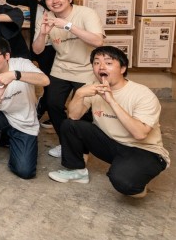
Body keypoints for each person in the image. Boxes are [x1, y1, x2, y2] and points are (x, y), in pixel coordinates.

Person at [48, 46, 169, 198]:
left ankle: (136, 179)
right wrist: (79, 94)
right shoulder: (93, 87)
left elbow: (140, 134)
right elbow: (73, 117)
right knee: (70, 125)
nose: (101, 67)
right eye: (96, 63)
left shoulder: (142, 94)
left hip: (144, 150)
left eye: (108, 63)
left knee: (124, 182)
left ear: (123, 68)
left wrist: (111, 101)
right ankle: (77, 171)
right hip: (113, 144)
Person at [32, 0, 105, 158]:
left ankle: (81, 148)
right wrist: (42, 33)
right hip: (61, 67)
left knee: (82, 109)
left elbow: (98, 41)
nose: (54, 1)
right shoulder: (46, 17)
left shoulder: (86, 13)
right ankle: (66, 142)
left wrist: (68, 26)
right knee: (53, 104)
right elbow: (37, 50)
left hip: (87, 68)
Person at [0, 37, 50, 179]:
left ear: (7, 56)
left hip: (24, 121)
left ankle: (10, 139)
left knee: (25, 171)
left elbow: (45, 80)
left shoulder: (21, 64)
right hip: (2, 116)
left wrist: (15, 75)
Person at [6, 0, 56, 126]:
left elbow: (54, 7)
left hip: (57, 41)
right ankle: (46, 106)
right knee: (46, 76)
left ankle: (49, 108)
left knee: (54, 80)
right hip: (39, 41)